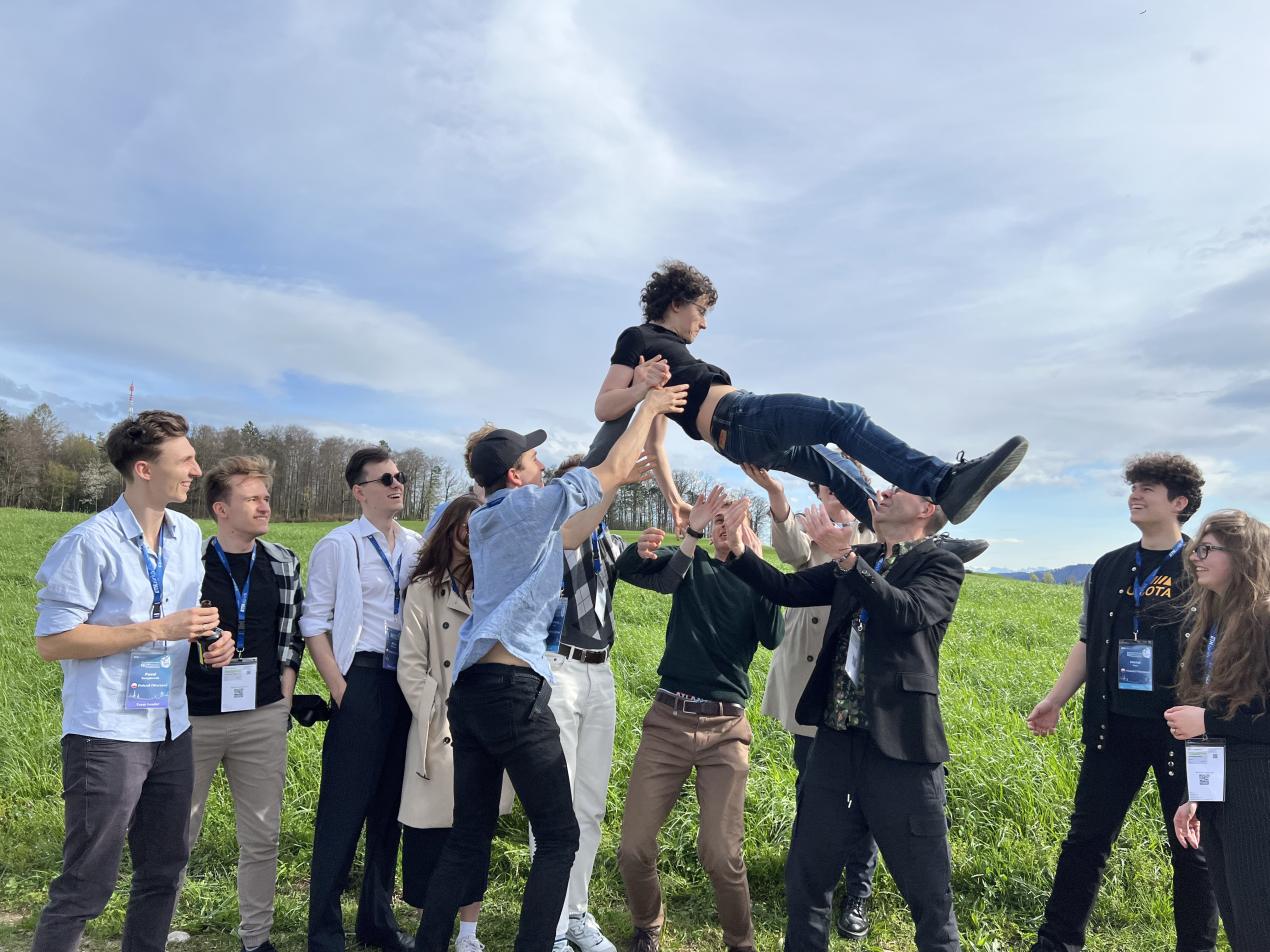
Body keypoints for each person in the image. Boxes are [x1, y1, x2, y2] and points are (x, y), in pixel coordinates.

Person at [415, 384, 687, 952]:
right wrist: (648, 408)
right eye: (533, 458)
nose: (541, 465)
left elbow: (576, 530)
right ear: (515, 475)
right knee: (561, 836)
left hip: (472, 692)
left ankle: (429, 944)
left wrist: (614, 484)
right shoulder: (525, 506)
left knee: (468, 836)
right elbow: (602, 470)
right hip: (513, 689)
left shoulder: (494, 519)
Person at [592, 260, 1028, 534]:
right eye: (701, 310)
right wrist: (639, 387)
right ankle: (943, 482)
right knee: (842, 418)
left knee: (835, 469)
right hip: (738, 418)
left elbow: (655, 442)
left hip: (741, 435)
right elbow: (604, 405)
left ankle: (903, 539)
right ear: (675, 302)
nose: (704, 323)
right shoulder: (638, 338)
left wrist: (674, 500)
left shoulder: (671, 360)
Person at [723, 485, 965, 952]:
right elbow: (789, 589)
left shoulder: (940, 564)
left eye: (900, 487)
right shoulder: (865, 556)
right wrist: (736, 552)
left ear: (927, 508)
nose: (885, 491)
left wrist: (847, 560)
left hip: (902, 752)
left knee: (930, 898)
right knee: (807, 880)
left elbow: (906, 612)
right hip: (834, 743)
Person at [31, 410, 234, 952]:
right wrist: (157, 629)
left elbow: (182, 612)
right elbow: (53, 641)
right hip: (106, 733)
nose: (196, 470)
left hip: (171, 725)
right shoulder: (88, 542)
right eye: (185, 460)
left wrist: (211, 641)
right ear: (144, 469)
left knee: (164, 870)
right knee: (86, 882)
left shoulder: (187, 534)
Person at [1025, 453, 1217, 952]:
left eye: (1148, 488)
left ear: (1180, 502)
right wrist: (1055, 700)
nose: (1135, 494)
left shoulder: (1204, 567)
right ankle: (1056, 943)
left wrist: (1213, 721)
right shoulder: (1108, 566)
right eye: (1134, 486)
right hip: (1113, 725)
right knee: (1086, 839)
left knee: (1194, 848)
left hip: (1190, 732)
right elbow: (1088, 641)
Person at [613, 489, 784, 952]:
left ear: (750, 531)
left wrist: (757, 565)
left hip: (725, 731)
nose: (725, 529)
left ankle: (740, 942)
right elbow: (633, 571)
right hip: (667, 720)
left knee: (721, 853)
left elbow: (773, 636)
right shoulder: (691, 563)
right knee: (633, 847)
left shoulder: (758, 579)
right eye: (719, 521)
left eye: (735, 521)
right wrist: (660, 543)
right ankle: (647, 925)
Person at [741, 463, 881, 941]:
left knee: (863, 792)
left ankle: (858, 890)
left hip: (860, 679)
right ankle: (810, 879)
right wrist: (777, 496)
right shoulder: (808, 524)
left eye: (842, 484)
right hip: (810, 675)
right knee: (811, 782)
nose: (833, 493)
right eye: (825, 485)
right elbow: (791, 553)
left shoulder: (877, 532)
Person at [180, 455, 305, 952]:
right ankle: (153, 929)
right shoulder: (189, 565)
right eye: (251, 498)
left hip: (262, 716)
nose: (264, 506)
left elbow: (290, 637)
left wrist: (283, 700)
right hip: (194, 718)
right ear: (221, 509)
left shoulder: (283, 562)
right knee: (177, 835)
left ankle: (256, 939)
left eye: (265, 497)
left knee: (262, 836)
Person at [303, 447, 425, 952]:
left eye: (400, 476)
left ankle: (377, 922)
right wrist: (340, 687)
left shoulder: (416, 545)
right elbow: (314, 622)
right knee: (343, 807)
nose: (397, 485)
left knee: (390, 808)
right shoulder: (340, 545)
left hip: (406, 681)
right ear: (360, 491)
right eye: (386, 479)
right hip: (363, 678)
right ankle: (325, 931)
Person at [537, 453, 650, 952]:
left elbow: (659, 576)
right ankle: (552, 925)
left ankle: (576, 913)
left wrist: (682, 536)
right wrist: (613, 479)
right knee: (556, 805)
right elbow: (573, 533)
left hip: (600, 671)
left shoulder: (611, 543)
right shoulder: (553, 533)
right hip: (558, 667)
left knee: (590, 805)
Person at [397, 493, 513, 952]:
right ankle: (433, 928)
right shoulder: (424, 588)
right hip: (439, 724)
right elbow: (410, 664)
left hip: (485, 721)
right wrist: (434, 708)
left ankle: (468, 934)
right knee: (431, 835)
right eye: (463, 526)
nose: (470, 534)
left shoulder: (497, 586)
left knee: (475, 831)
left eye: (479, 526)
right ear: (449, 530)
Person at [1168, 510, 1270, 951]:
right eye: (1196, 548)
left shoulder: (1265, 620)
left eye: (1207, 549)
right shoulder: (1214, 622)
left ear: (1244, 556)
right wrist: (1197, 793)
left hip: (1258, 790)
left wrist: (1206, 720)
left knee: (1259, 921)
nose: (1195, 557)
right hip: (1224, 788)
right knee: (1239, 922)